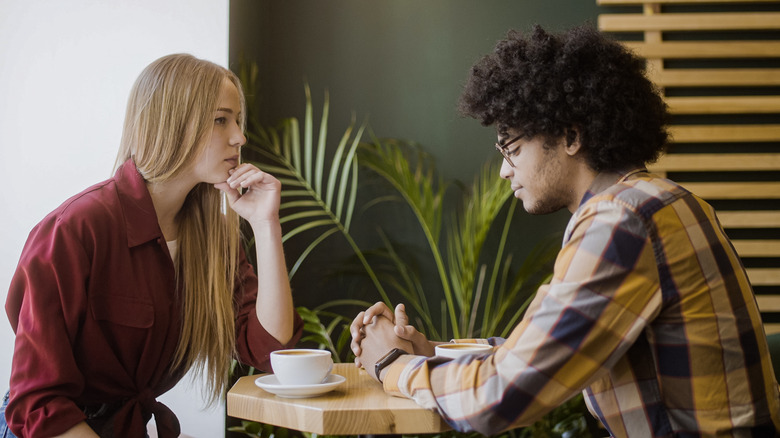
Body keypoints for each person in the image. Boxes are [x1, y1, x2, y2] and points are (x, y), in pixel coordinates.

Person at [350, 25, 780, 436]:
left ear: (571, 135)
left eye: (513, 148)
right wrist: (432, 353)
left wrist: (391, 364)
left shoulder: (622, 221)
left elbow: (503, 396)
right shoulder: (667, 201)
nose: (503, 171)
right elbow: (544, 349)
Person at [2, 54, 303, 437]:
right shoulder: (75, 230)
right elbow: (38, 402)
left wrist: (265, 225)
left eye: (238, 121)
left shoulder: (213, 240)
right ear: (174, 123)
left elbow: (269, 350)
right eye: (221, 119)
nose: (240, 137)